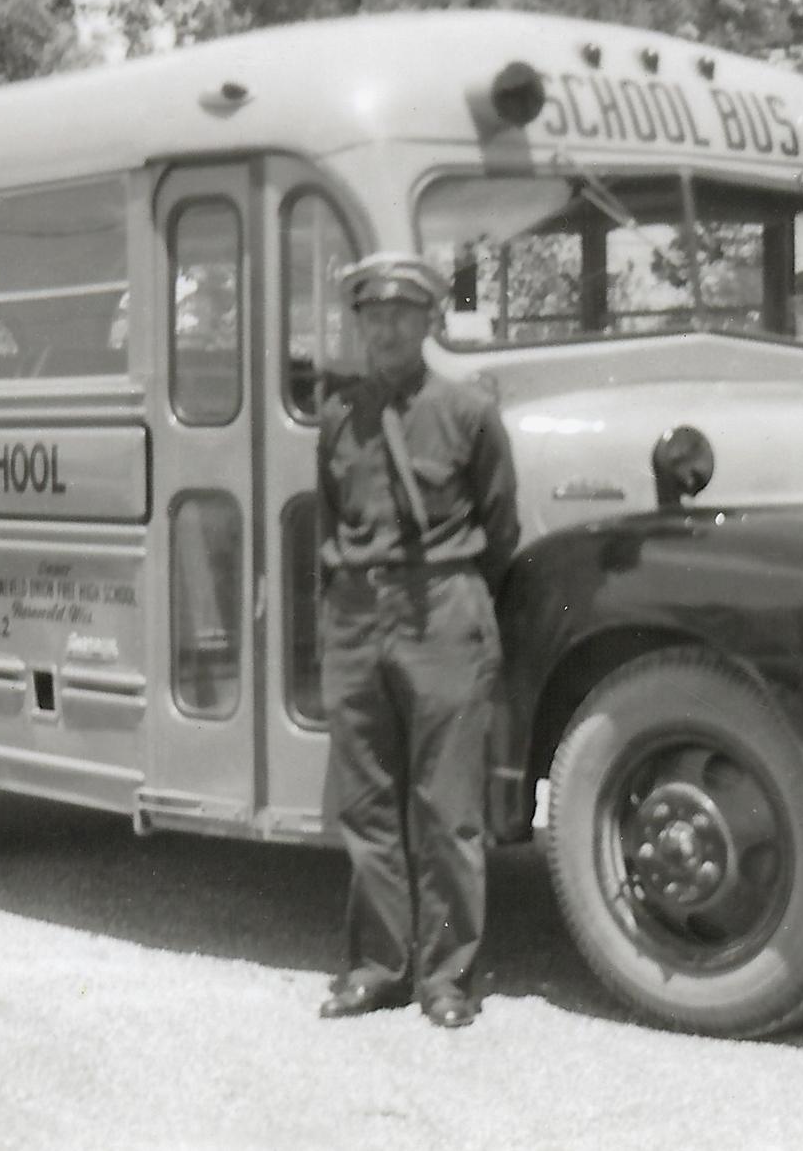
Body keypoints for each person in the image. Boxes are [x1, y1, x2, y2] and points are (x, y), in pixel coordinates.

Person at [314, 250, 520, 1030]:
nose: (386, 328)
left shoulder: (467, 412)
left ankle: (445, 978)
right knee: (367, 808)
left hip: (443, 611)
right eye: (373, 315)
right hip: (358, 617)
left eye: (402, 314)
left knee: (446, 809)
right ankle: (375, 968)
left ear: (430, 321)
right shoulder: (339, 415)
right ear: (359, 323)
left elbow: (500, 528)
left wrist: (458, 604)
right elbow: (332, 523)